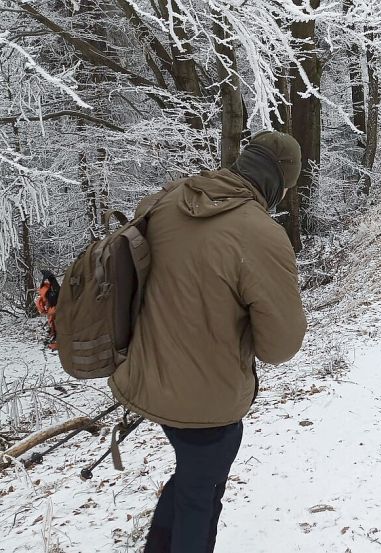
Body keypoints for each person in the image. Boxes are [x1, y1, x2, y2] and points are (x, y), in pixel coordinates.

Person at [108, 131, 308, 553]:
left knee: (192, 480)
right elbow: (280, 347)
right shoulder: (260, 234)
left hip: (145, 379)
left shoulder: (167, 199)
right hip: (208, 402)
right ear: (277, 181)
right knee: (201, 496)